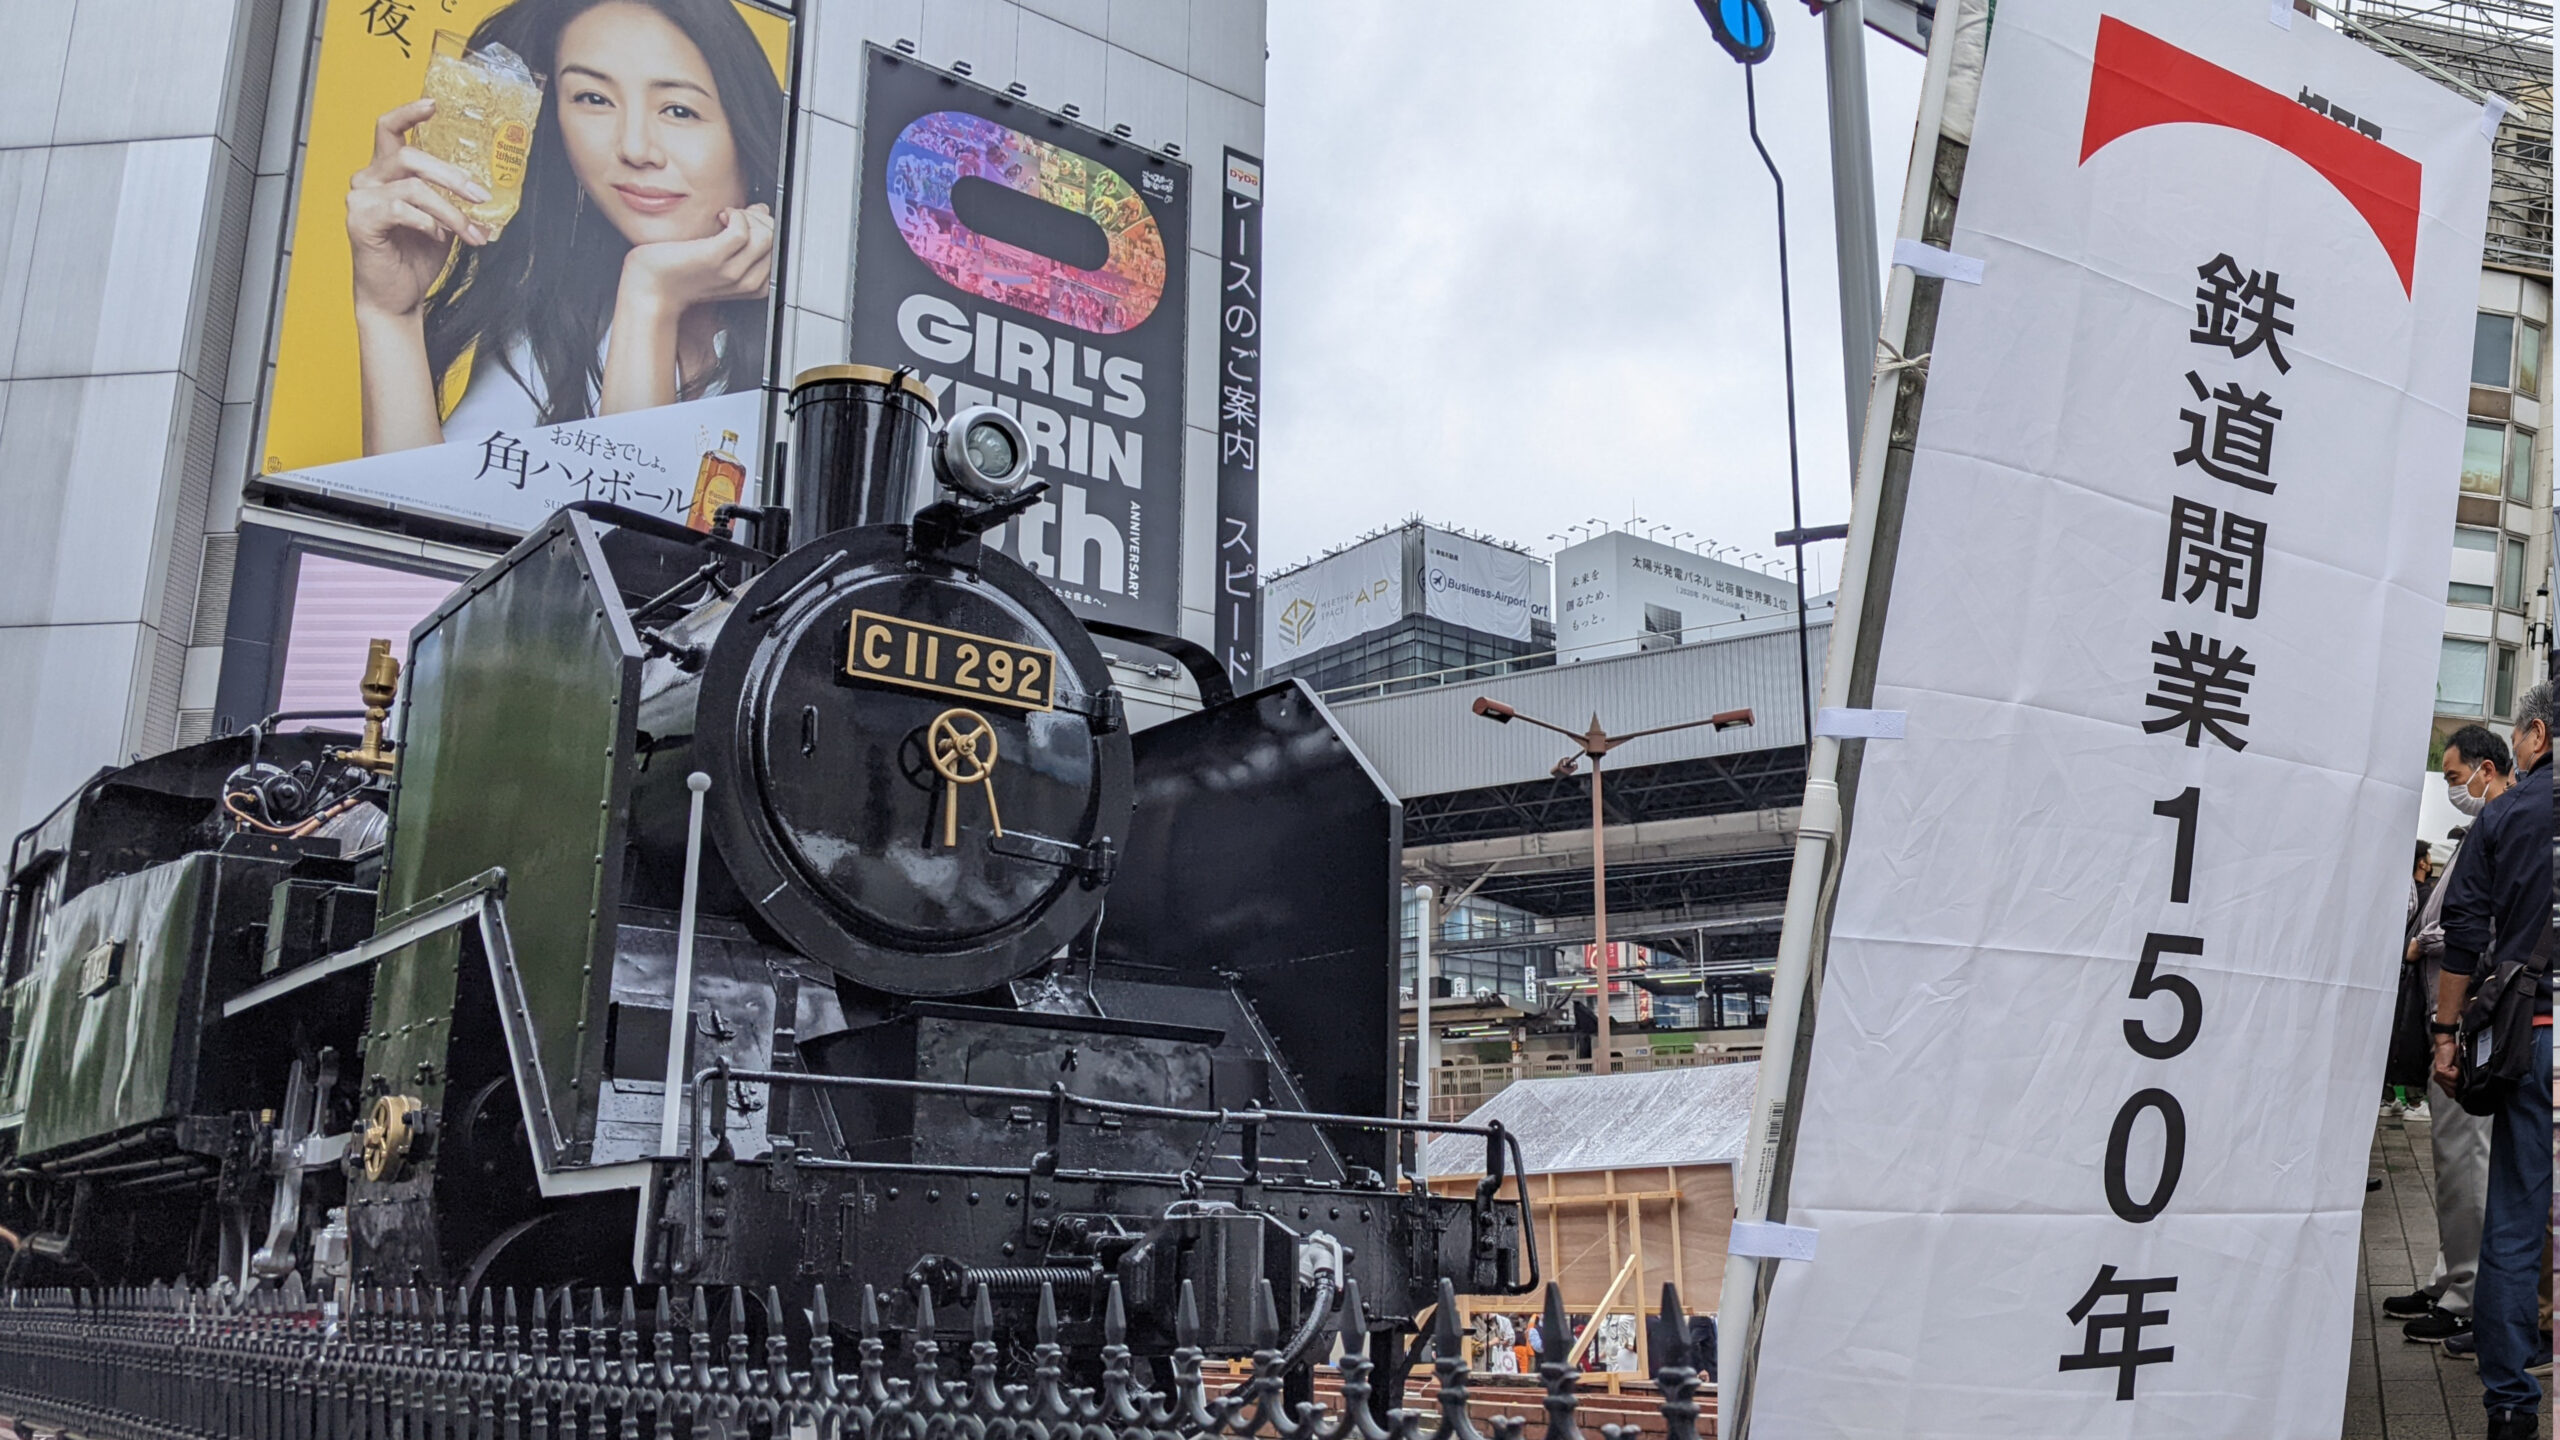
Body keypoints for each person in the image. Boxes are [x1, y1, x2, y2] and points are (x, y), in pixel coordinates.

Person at [347, 0, 783, 455]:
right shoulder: (551, 328)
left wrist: (651, 298)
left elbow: (638, 522)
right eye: (593, 99)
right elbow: (421, 512)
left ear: (747, 124)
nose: (634, 148)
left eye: (678, 110)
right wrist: (389, 313)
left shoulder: (815, 338)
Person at [2430, 683, 2553, 1438]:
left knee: (2515, 1215)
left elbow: (2465, 927)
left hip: (2532, 1034)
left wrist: (2446, 1034)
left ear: (2536, 735)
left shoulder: (2508, 814)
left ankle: (2511, 1403)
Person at [2388, 727, 2511, 1345]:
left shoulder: (2504, 826)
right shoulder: (2484, 830)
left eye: (2455, 776)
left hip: (2467, 1022)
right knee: (2449, 1159)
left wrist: (2426, 940)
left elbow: (2482, 926)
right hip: (2451, 1014)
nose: (2451, 788)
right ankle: (2447, 1276)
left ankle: (2464, 1293)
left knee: (2466, 1159)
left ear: (2487, 768)